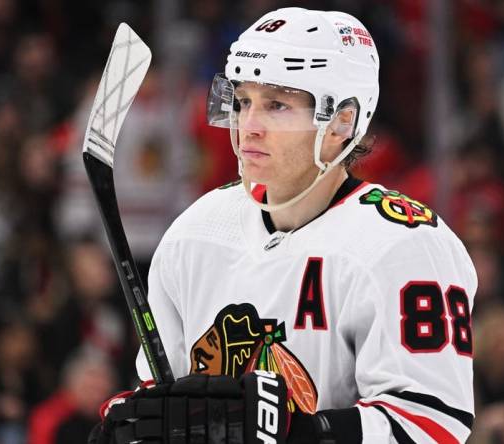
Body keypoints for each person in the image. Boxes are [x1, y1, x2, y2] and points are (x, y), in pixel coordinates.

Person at [92, 7, 477, 444]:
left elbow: (431, 423)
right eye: (241, 102)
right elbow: (164, 403)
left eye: (276, 105)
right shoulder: (195, 233)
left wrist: (304, 433)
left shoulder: (405, 245)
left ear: (342, 121)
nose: (247, 127)